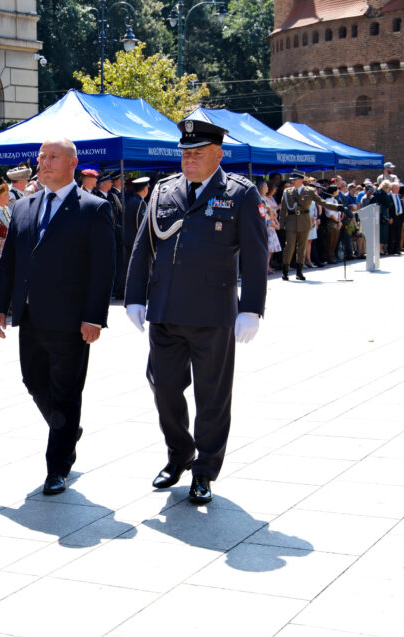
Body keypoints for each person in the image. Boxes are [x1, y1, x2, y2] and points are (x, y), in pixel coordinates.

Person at [124, 118, 268, 505]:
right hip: (166, 310)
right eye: (185, 153)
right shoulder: (164, 190)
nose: (189, 159)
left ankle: (204, 471)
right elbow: (143, 246)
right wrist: (134, 296)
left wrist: (251, 308)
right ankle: (179, 453)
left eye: (197, 153)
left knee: (212, 396)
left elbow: (256, 256)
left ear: (218, 155)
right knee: (163, 386)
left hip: (213, 312)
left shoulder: (240, 193)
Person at [0, 139, 116, 495]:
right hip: (30, 316)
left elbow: (103, 269)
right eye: (41, 157)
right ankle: (66, 430)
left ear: (73, 162)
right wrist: (0, 305)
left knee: (65, 393)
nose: (43, 163)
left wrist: (94, 317)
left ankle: (57, 468)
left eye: (52, 157)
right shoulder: (24, 207)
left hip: (70, 320)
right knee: (33, 381)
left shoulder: (93, 208)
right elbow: (10, 260)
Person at [278, 171, 341, 280]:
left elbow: (322, 202)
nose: (292, 181)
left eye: (294, 179)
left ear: (301, 180)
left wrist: (337, 207)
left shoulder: (309, 191)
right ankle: (285, 271)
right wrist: (281, 224)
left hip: (305, 221)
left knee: (302, 248)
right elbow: (283, 209)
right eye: (292, 179)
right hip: (291, 221)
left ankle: (299, 272)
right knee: (289, 247)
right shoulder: (287, 192)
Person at [122, 176, 150, 271]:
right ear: (145, 189)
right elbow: (141, 225)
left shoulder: (131, 201)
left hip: (129, 240)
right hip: (136, 242)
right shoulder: (140, 203)